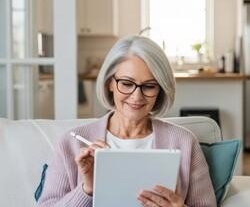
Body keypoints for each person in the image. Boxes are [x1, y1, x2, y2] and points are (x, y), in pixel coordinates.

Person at [38, 35, 216, 207]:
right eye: (127, 83)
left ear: (160, 89)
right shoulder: (72, 143)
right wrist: (87, 190)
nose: (136, 96)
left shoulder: (185, 142)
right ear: (110, 83)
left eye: (149, 86)